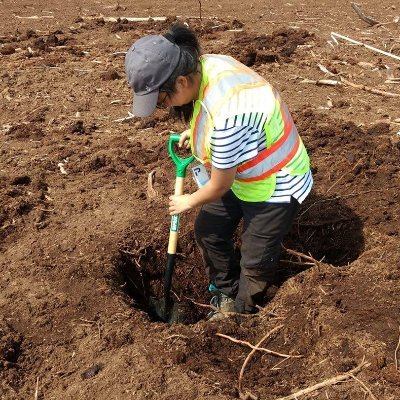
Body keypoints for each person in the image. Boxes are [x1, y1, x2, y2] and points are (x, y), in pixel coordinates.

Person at [124, 24, 313, 319]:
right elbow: (206, 113)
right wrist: (195, 131)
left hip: (276, 183)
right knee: (209, 231)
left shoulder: (228, 118)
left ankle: (241, 312)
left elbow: (220, 184)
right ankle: (225, 290)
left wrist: (189, 200)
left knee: (256, 258)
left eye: (162, 100)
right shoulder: (207, 65)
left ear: (182, 81)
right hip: (242, 171)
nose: (163, 108)